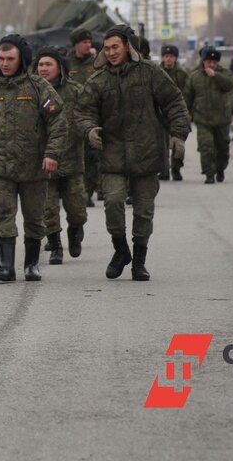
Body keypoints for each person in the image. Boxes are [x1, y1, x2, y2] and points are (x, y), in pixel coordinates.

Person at [76, 26, 190, 282]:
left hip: (147, 153)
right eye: (107, 48)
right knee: (114, 203)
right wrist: (89, 129)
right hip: (113, 154)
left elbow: (174, 102)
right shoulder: (99, 79)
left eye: (116, 47)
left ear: (128, 46)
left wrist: (178, 134)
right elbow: (83, 111)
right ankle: (121, 250)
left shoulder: (150, 73)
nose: (111, 52)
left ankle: (139, 261)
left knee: (143, 210)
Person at [0, 35, 66, 283]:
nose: (4, 63)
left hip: (34, 166)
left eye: (10, 59)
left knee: (35, 216)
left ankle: (32, 264)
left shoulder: (38, 87)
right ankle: (6, 266)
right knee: (2, 214)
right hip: (0, 166)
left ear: (21, 59)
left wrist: (52, 153)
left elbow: (58, 121)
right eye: (1, 58)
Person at [34, 46, 87, 264]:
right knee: (48, 209)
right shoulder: (32, 91)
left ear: (60, 67)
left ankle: (75, 230)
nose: (44, 69)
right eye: (40, 65)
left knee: (76, 209)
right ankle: (55, 245)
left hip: (72, 160)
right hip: (44, 161)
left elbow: (87, 114)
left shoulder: (75, 90)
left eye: (49, 64)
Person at [184, 46, 233, 185]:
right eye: (208, 62)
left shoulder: (225, 74)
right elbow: (188, 96)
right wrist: (187, 113)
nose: (211, 64)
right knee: (206, 146)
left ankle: (220, 169)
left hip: (222, 119)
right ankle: (209, 174)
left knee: (222, 147)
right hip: (203, 119)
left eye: (214, 62)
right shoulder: (195, 76)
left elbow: (230, 84)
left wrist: (215, 75)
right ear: (203, 61)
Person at [64, 27, 99, 207]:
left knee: (92, 156)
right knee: (77, 154)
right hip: (71, 115)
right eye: (84, 42)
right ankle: (77, 191)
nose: (88, 45)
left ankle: (88, 191)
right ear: (76, 44)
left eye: (89, 42)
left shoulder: (96, 62)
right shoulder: (66, 63)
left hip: (92, 114)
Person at [159, 44, 189, 181]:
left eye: (171, 56)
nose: (168, 59)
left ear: (175, 58)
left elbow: (187, 94)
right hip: (161, 114)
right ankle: (164, 170)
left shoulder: (182, 74)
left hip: (177, 114)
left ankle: (176, 169)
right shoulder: (157, 72)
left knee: (178, 143)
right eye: (166, 56)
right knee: (162, 144)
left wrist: (187, 112)